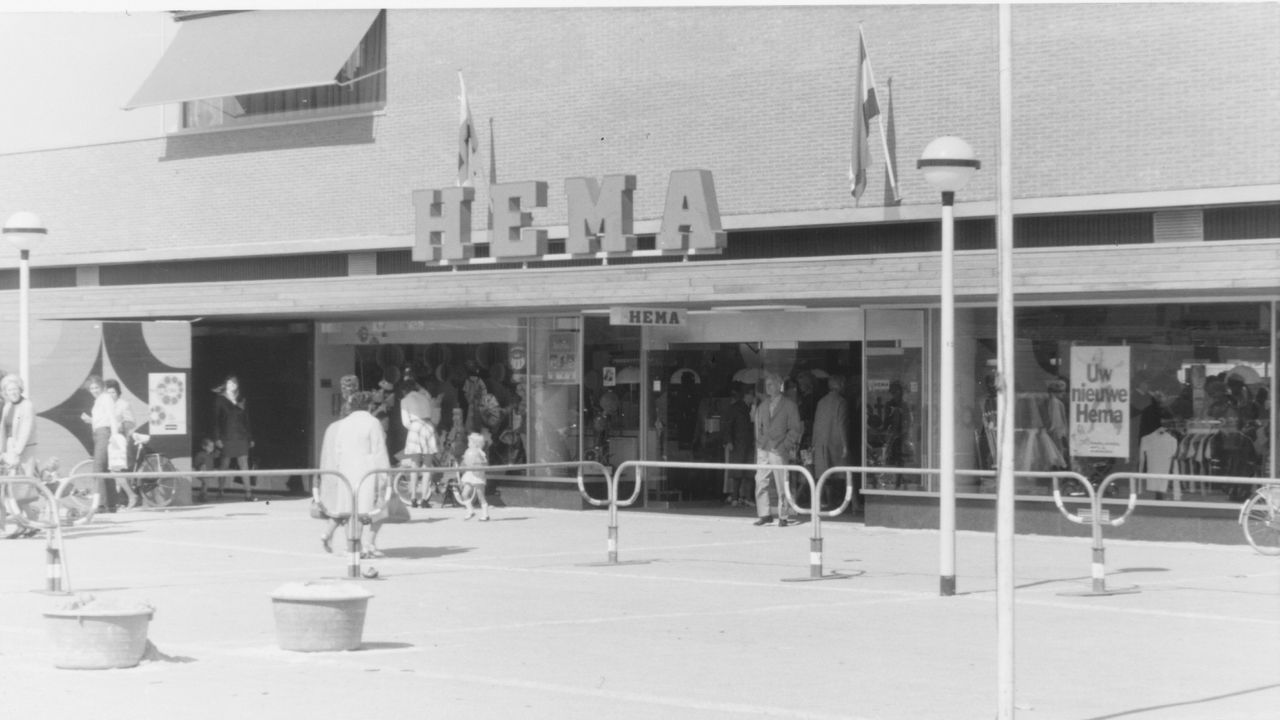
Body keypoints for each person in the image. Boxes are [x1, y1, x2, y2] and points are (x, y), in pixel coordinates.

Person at [318, 391, 392, 557]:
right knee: (370, 509)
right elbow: (379, 451)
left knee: (350, 511)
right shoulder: (373, 422)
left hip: (346, 472)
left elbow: (338, 450)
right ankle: (365, 546)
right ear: (369, 406)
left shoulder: (344, 424)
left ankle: (352, 547)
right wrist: (385, 475)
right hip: (367, 472)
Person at [752, 372, 803, 527]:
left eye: (771, 384)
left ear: (779, 386)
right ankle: (764, 514)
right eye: (766, 385)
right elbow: (758, 427)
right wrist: (759, 443)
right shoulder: (763, 405)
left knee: (782, 483)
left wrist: (785, 445)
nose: (768, 388)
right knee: (760, 481)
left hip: (779, 448)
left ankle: (783, 515)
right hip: (764, 448)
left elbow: (795, 429)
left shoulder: (790, 405)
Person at [1, 374, 41, 536]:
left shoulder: (27, 405)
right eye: (9, 390)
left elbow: (26, 429)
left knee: (21, 489)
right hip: (10, 449)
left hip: (24, 450)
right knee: (11, 490)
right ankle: (25, 522)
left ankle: (30, 520)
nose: (13, 392)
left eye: (15, 388)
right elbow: (4, 431)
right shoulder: (7, 407)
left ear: (20, 389)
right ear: (5, 392)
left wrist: (17, 452)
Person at [80, 375, 120, 512]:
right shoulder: (99, 400)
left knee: (98, 468)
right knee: (105, 469)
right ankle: (111, 504)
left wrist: (114, 436)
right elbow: (102, 419)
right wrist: (90, 420)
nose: (94, 390)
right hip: (99, 433)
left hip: (104, 433)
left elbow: (112, 417)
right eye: (91, 388)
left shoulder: (106, 398)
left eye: (96, 387)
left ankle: (100, 504)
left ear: (102, 386)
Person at [811, 374, 851, 509]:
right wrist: (845, 445)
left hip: (821, 442)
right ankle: (850, 503)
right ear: (840, 385)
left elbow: (816, 423)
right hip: (836, 443)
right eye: (844, 384)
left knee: (824, 473)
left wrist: (814, 443)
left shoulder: (821, 402)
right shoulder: (841, 402)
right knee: (845, 473)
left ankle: (826, 500)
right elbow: (842, 424)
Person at [213, 374, 254, 501]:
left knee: (244, 465)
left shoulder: (241, 399)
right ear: (226, 384)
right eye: (230, 383)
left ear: (237, 386)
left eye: (235, 383)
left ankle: (248, 493)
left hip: (242, 436)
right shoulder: (220, 400)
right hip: (226, 437)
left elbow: (247, 420)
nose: (232, 385)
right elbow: (215, 420)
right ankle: (220, 490)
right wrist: (217, 438)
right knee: (224, 465)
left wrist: (250, 438)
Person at [398, 380, 437, 508]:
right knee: (427, 465)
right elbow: (432, 413)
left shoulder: (405, 400)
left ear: (404, 390)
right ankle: (425, 498)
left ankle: (413, 497)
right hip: (428, 426)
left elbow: (405, 422)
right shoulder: (425, 397)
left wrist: (414, 428)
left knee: (414, 465)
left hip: (415, 425)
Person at [104, 379, 140, 509]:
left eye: (113, 392)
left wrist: (119, 426)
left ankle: (131, 495)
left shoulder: (123, 405)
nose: (111, 395)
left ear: (118, 392)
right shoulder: (106, 406)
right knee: (113, 471)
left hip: (119, 440)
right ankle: (120, 499)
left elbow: (131, 422)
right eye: (108, 393)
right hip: (109, 440)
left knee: (115, 470)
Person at [721, 383, 755, 506]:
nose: (753, 398)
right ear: (746, 395)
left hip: (749, 443)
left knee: (749, 471)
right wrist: (729, 441)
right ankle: (735, 497)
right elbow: (727, 425)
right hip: (737, 443)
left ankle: (747, 498)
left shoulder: (752, 408)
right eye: (752, 395)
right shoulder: (735, 408)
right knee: (737, 471)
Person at [459, 431, 490, 521]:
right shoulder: (467, 451)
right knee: (464, 494)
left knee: (481, 496)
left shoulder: (480, 452)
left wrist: (478, 464)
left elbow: (485, 463)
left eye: (470, 442)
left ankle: (485, 514)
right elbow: (465, 462)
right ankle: (470, 511)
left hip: (478, 475)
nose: (468, 443)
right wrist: (462, 464)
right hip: (469, 474)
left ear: (476, 443)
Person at [192, 437, 219, 503]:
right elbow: (196, 464)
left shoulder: (211, 454)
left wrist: (219, 448)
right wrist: (201, 465)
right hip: (200, 472)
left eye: (213, 447)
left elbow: (217, 455)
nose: (212, 448)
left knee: (205, 483)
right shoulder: (200, 454)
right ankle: (203, 496)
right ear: (204, 447)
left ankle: (202, 495)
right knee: (206, 483)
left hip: (207, 473)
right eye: (210, 446)